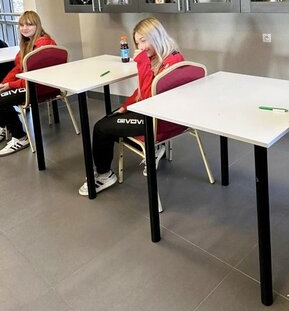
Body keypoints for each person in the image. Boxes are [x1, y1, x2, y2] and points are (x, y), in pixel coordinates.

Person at [78, 17, 184, 196]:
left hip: (158, 120)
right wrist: (126, 106)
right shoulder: (169, 57)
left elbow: (149, 98)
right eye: (137, 43)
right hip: (164, 116)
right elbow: (141, 91)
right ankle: (154, 148)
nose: (140, 47)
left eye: (144, 40)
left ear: (156, 37)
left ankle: (104, 175)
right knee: (110, 119)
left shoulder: (168, 63)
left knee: (101, 128)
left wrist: (142, 63)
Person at [0, 11, 56, 156]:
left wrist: (10, 86)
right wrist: (5, 83)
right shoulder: (27, 44)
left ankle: (20, 137)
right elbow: (18, 68)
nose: (24, 28)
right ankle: (4, 125)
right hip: (30, 85)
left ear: (38, 26)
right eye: (21, 25)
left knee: (1, 100)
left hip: (39, 87)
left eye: (29, 24)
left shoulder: (42, 45)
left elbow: (37, 77)